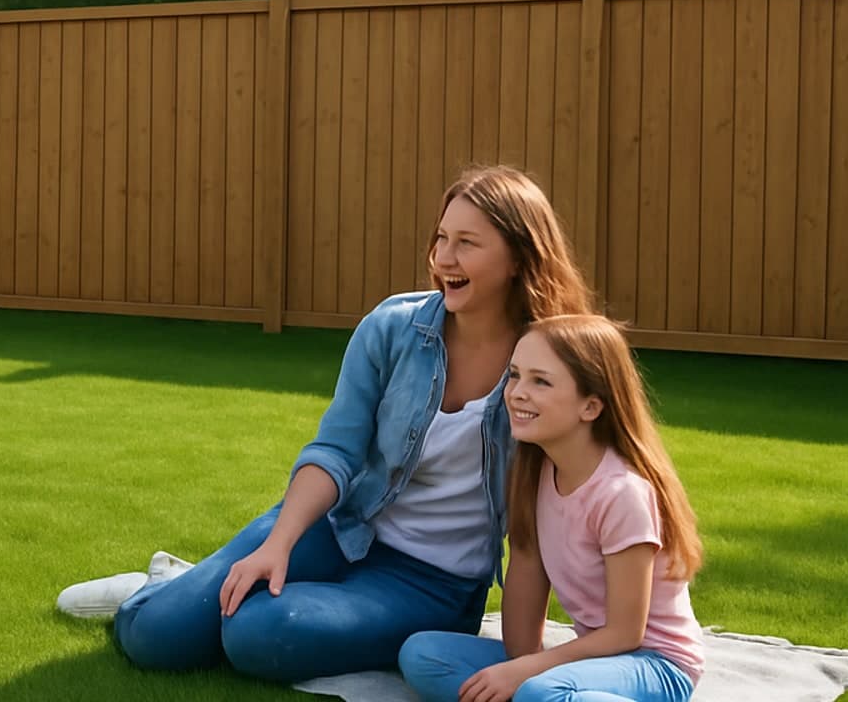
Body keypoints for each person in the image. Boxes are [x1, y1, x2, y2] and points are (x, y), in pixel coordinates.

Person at [93, 165, 595, 684]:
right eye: (441, 238)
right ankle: (164, 588)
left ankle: (204, 590)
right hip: (338, 527)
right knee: (157, 634)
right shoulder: (394, 328)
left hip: (432, 584)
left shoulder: (550, 368)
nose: (444, 258)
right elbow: (335, 450)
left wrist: (525, 657)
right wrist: (279, 543)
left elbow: (537, 523)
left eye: (467, 243)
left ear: (518, 257)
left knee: (255, 632)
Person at [398, 314, 704, 702]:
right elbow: (525, 575)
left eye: (540, 381)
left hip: (654, 664)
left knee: (541, 690)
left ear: (591, 406)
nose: (517, 392)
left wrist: (527, 673)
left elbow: (628, 632)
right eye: (514, 375)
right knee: (424, 654)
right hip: (588, 660)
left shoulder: (621, 492)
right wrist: (517, 665)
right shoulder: (534, 470)